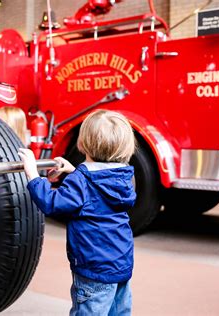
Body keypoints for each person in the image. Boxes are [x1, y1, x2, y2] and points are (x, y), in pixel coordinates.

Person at [18, 109, 136, 316]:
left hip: (94, 268)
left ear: (82, 144)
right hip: (121, 264)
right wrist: (74, 171)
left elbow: (51, 202)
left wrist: (32, 174)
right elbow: (96, 190)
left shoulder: (81, 182)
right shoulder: (124, 176)